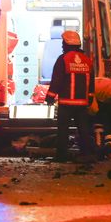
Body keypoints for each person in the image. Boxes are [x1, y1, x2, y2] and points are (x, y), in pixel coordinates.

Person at [44, 31, 96, 163]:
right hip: (82, 105)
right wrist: (89, 99)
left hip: (66, 104)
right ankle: (86, 154)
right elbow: (91, 83)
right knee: (84, 131)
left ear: (66, 44)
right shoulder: (87, 60)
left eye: (63, 43)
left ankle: (62, 156)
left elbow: (57, 80)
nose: (62, 46)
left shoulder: (63, 59)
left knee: (63, 131)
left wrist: (50, 97)